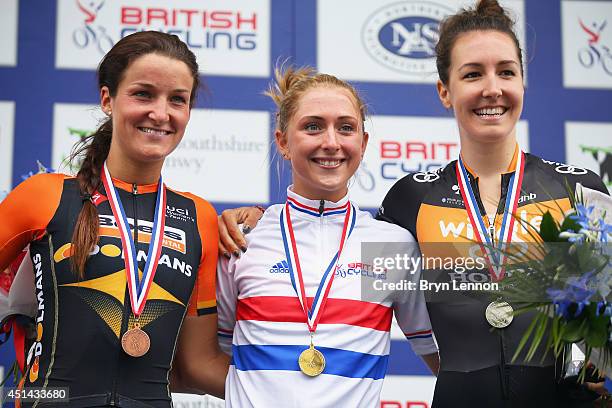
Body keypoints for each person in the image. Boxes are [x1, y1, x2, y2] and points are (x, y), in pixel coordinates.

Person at [217, 1, 609, 407]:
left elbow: (602, 326)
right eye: (473, 73)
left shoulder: (579, 189)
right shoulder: (411, 199)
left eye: (506, 71)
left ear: (523, 82)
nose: (492, 88)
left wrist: (599, 375)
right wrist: (260, 218)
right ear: (445, 90)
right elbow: (327, 242)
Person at [0, 31, 228, 407]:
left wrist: (308, 393)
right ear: (108, 99)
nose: (161, 113)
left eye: (177, 100)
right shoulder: (46, 195)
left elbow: (198, 364)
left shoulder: (197, 216)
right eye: (143, 94)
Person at [215, 65, 439, 407]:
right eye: (313, 127)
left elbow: (444, 359)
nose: (331, 142)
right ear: (283, 142)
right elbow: (208, 357)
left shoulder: (389, 246)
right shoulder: (244, 238)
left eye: (346, 128)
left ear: (362, 144)